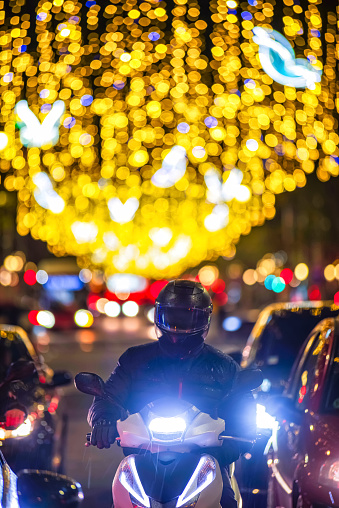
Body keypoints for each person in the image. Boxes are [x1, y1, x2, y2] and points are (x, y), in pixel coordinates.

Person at [87, 279, 257, 507]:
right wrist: (104, 420)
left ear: (203, 319)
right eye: (172, 317)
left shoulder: (224, 366)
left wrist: (237, 437)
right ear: (159, 315)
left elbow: (243, 407)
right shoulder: (134, 360)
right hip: (144, 456)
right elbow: (109, 395)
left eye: (188, 317)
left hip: (208, 459)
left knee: (226, 501)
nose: (178, 325)